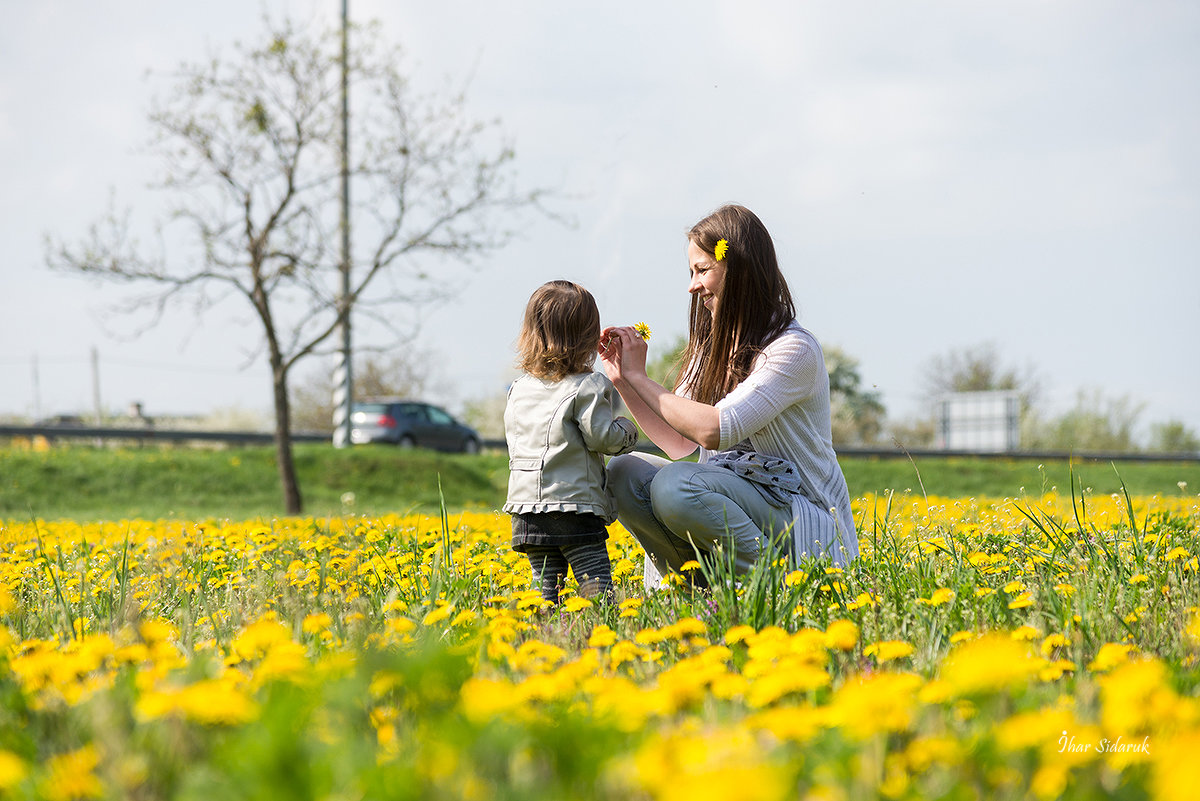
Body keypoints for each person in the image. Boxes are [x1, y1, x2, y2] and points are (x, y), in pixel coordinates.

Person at [599, 204, 858, 589]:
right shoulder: (711, 349)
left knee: (676, 486)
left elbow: (713, 431)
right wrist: (625, 380)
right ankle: (695, 587)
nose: (692, 285)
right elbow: (679, 444)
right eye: (691, 272)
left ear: (737, 269)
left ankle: (768, 590)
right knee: (624, 471)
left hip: (803, 521)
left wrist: (642, 376)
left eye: (702, 270)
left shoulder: (791, 350)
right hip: (739, 500)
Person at [503, 280, 640, 603]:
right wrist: (627, 430)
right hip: (573, 505)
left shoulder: (518, 389)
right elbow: (603, 438)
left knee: (544, 586)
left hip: (525, 509)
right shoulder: (588, 385)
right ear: (588, 337)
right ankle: (600, 633)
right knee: (594, 578)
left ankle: (543, 635)